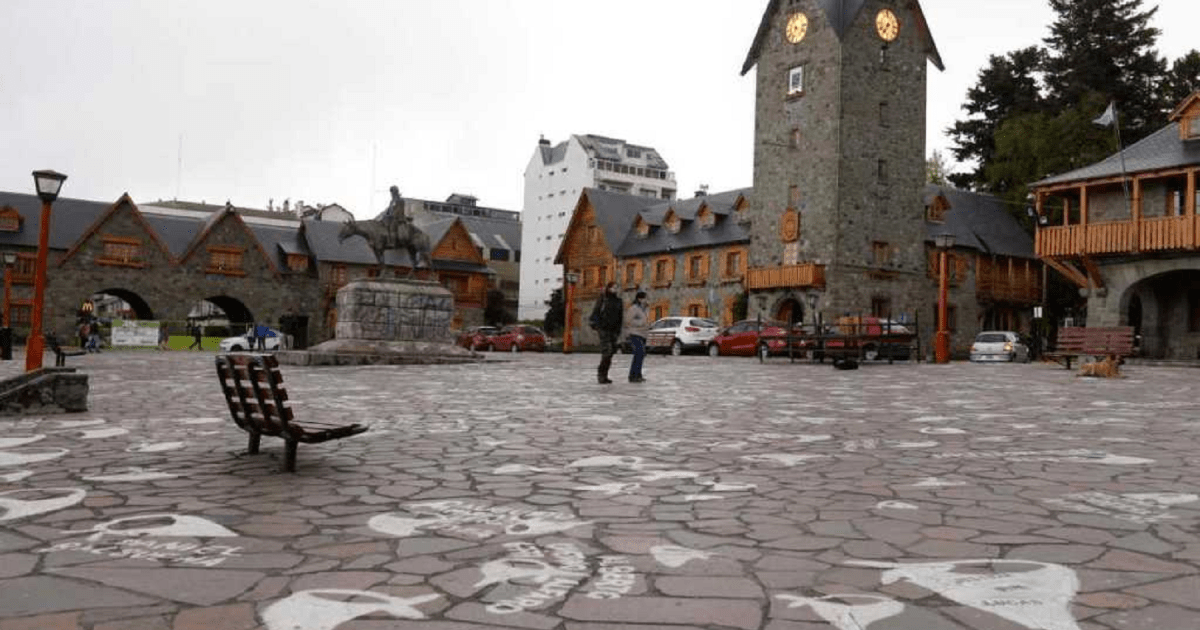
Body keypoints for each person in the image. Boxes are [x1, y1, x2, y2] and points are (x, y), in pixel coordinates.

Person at [590, 281, 624, 384]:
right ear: (608, 288)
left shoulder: (618, 301)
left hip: (614, 330)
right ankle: (601, 374)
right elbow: (596, 312)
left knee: (611, 352)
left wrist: (618, 330)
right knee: (607, 352)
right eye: (613, 287)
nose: (615, 289)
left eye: (616, 288)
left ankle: (605, 375)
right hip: (604, 329)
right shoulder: (603, 299)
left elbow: (620, 316)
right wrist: (597, 326)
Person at [625, 291, 649, 383]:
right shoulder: (634, 308)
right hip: (635, 333)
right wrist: (641, 323)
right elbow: (628, 321)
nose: (646, 300)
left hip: (642, 334)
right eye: (645, 298)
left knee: (641, 355)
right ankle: (633, 375)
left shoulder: (645, 309)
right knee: (639, 353)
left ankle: (638, 374)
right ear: (639, 299)